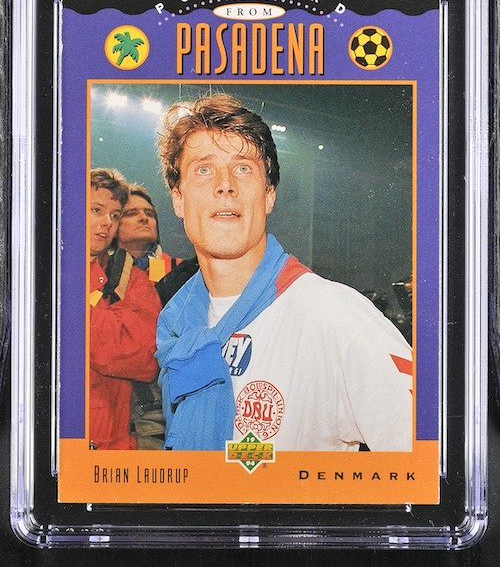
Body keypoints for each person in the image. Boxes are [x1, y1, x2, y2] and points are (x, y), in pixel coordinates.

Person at [155, 95, 413, 452]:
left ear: (269, 195)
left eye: (243, 168)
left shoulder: (335, 316)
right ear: (178, 199)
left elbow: (429, 465)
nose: (225, 184)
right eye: (203, 169)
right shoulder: (179, 324)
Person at [113, 183, 198, 448]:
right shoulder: (95, 275)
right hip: (115, 400)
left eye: (149, 213)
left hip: (169, 395)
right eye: (132, 213)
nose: (144, 218)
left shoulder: (184, 271)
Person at [88, 168, 161, 450]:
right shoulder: (36, 269)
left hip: (111, 443)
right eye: (96, 210)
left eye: (115, 215)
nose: (107, 222)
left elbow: (143, 355)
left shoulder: (131, 279)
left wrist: (71, 314)